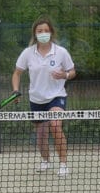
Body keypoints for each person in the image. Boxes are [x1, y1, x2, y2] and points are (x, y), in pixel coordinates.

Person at [11, 18, 76, 176]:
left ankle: (63, 164)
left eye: (46, 30)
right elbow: (17, 73)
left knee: (55, 125)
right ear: (35, 33)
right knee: (41, 135)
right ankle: (46, 161)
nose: (43, 33)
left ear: (51, 32)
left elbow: (73, 72)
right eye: (39, 31)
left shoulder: (61, 52)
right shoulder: (27, 53)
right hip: (36, 99)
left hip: (56, 96)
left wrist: (65, 74)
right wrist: (15, 90)